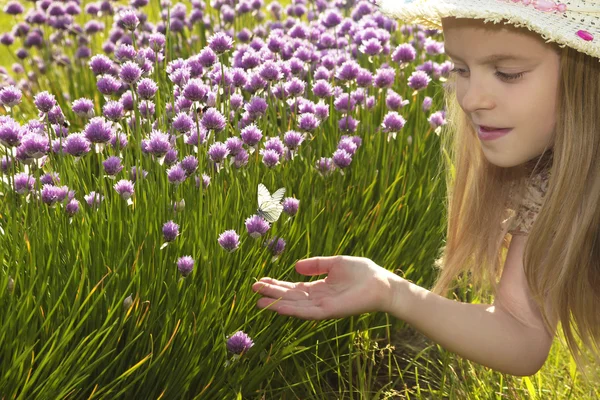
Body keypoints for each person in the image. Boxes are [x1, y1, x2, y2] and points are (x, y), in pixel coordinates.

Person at [252, 0, 600, 379]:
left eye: (507, 73)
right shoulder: (549, 178)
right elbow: (520, 333)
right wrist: (390, 290)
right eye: (461, 69)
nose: (469, 100)